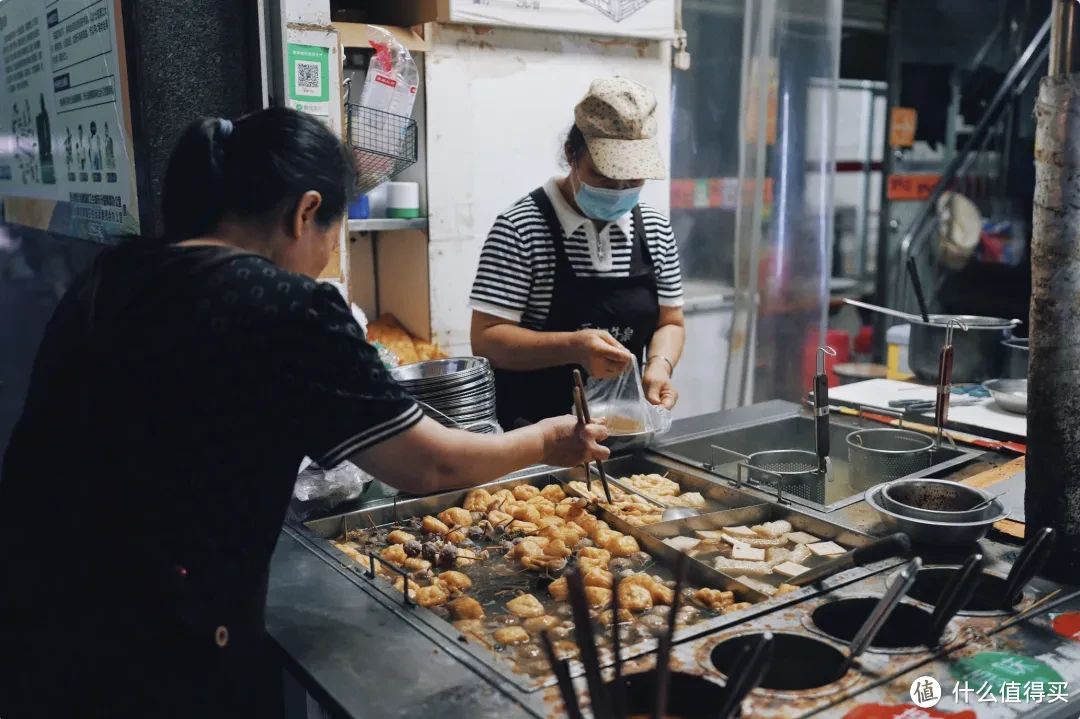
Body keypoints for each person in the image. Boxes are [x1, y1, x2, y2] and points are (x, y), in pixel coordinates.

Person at [0, 107, 609, 719]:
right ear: (304, 212)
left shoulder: (113, 273)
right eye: (333, 234)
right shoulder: (287, 307)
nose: (324, 256)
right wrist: (548, 440)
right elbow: (430, 465)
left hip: (36, 627)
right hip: (159, 656)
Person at [469, 77, 685, 429]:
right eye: (603, 177)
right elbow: (487, 339)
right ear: (572, 154)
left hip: (623, 427)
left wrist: (659, 366)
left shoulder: (656, 229)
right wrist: (573, 347)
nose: (619, 192)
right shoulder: (521, 227)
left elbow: (671, 322)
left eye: (632, 181)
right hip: (533, 435)